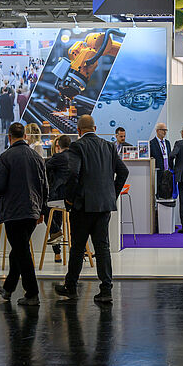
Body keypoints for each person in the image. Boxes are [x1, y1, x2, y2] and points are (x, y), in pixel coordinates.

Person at [54, 115, 128, 304]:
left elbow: (73, 174)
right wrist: (112, 194)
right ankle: (106, 289)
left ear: (78, 131)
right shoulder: (109, 146)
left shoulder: (77, 146)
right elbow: (123, 171)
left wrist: (69, 199)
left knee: (78, 247)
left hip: (83, 206)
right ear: (95, 128)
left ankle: (71, 287)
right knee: (102, 247)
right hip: (103, 206)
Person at [0, 122, 49, 306]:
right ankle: (8, 289)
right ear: (24, 136)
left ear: (9, 137)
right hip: (32, 211)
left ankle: (32, 293)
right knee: (18, 250)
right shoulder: (36, 157)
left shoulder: (6, 157)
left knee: (21, 252)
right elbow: (45, 186)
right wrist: (42, 210)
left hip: (14, 211)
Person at [45, 134, 72, 263]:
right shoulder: (74, 156)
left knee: (48, 211)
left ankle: (57, 239)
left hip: (58, 195)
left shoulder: (55, 159)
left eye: (58, 146)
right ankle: (58, 250)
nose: (57, 148)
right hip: (70, 196)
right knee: (56, 218)